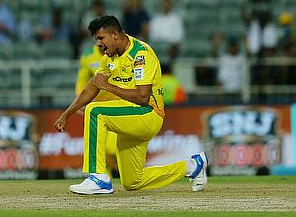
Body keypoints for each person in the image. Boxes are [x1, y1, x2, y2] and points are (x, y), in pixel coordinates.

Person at [53, 15, 207, 195]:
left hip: (148, 114)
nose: (98, 44)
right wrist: (67, 114)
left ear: (115, 36)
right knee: (132, 181)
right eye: (96, 40)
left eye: (101, 38)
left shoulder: (140, 54)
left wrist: (108, 86)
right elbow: (91, 87)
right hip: (130, 118)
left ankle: (98, 177)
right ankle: (192, 166)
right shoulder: (109, 59)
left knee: (95, 111)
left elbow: (142, 97)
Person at [76, 44, 119, 175]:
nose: (101, 42)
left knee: (111, 148)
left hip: (118, 105)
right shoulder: (87, 56)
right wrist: (80, 100)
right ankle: (103, 178)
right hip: (98, 107)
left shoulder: (119, 52)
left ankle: (123, 172)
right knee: (99, 148)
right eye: (98, 38)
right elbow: (82, 80)